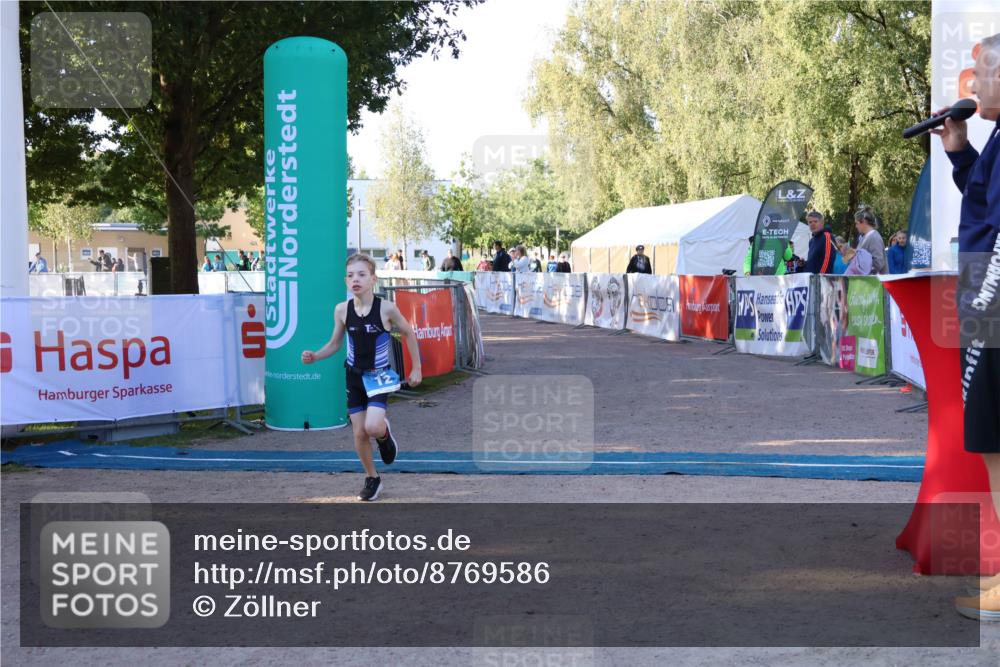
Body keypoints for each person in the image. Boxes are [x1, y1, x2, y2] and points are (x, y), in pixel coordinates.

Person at [933, 32, 1000, 621]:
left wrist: (985, 301)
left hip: (994, 304)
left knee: (996, 444)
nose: (973, 85)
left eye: (982, 73)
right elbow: (984, 205)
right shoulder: (999, 136)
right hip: (988, 297)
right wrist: (959, 150)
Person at [301, 254, 422, 501]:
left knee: (373, 427)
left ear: (373, 280)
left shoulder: (386, 308)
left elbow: (408, 333)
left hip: (379, 377)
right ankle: (372, 478)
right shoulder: (342, 310)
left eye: (361, 274)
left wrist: (417, 368)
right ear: (346, 281)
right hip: (354, 377)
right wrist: (316, 356)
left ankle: (385, 434)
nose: (355, 279)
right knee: (359, 433)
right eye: (350, 275)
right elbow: (335, 344)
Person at [854, 205, 887, 275]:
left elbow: (878, 263)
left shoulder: (874, 238)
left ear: (864, 222)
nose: (856, 226)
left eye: (857, 223)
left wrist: (860, 270)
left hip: (874, 283)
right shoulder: (866, 237)